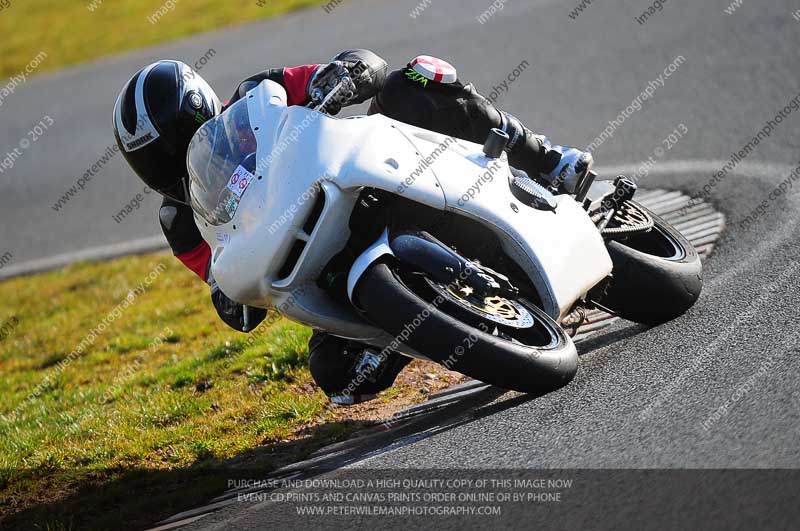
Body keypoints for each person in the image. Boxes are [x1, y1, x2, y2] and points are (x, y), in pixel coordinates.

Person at [112, 50, 593, 405]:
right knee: (336, 372)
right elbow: (221, 276)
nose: (173, 166)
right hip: (323, 265)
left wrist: (344, 74)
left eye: (176, 147)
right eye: (154, 164)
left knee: (412, 81)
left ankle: (546, 159)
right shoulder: (179, 220)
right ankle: (426, 331)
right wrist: (227, 296)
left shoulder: (256, 98)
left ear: (203, 108)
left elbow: (361, 65)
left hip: (359, 182)